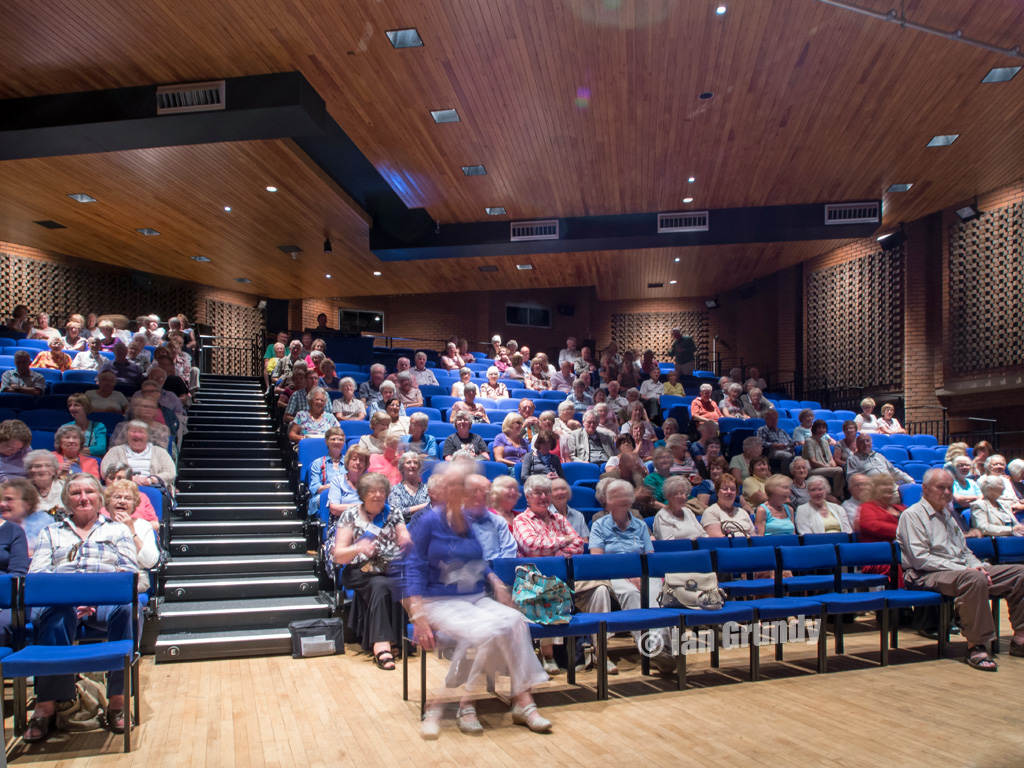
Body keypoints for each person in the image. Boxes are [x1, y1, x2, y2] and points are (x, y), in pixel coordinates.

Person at [400, 466, 552, 738]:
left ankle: (522, 701)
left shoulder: (466, 523)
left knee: (516, 621)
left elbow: (478, 561)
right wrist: (416, 615)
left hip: (473, 597)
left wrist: (495, 581)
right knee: (484, 633)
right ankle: (465, 704)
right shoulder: (429, 521)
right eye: (469, 490)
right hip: (438, 600)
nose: (478, 495)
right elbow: (411, 565)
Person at [25, 474, 138, 742]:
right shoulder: (51, 532)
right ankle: (48, 705)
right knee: (58, 611)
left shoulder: (118, 530)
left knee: (125, 608)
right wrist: (70, 596)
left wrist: (94, 596)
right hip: (60, 603)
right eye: (76, 493)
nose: (83, 497)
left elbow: (129, 572)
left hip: (104, 602)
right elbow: (39, 574)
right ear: (67, 500)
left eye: (89, 492)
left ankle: (118, 702)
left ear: (100, 498)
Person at [897, 469, 1024, 671]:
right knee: (973, 579)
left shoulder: (947, 515)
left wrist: (977, 565)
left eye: (949, 488)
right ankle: (977, 646)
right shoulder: (912, 516)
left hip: (959, 571)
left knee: (1020, 573)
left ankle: (1020, 639)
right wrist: (968, 569)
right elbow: (920, 559)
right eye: (941, 487)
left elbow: (964, 551)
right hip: (924, 575)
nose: (947, 492)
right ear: (925, 489)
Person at [587, 478, 675, 673]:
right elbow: (597, 559)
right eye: (617, 497)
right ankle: (652, 649)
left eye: (626, 496)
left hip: (643, 572)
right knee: (631, 594)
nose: (622, 500)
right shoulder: (599, 525)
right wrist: (627, 572)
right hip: (614, 573)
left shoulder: (640, 525)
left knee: (655, 593)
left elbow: (649, 555)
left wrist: (640, 573)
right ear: (608, 501)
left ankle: (661, 648)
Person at [333, 473, 410, 670]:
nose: (378, 495)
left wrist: (406, 541)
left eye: (382, 491)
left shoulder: (393, 512)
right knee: (381, 584)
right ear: (363, 494)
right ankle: (386, 644)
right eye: (372, 491)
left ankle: (382, 644)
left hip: (387, 569)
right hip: (358, 570)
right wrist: (358, 548)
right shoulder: (349, 514)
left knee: (381, 584)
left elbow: (404, 536)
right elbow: (339, 556)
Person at [103, 480, 160, 592]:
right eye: (117, 497)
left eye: (128, 498)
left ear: (134, 505)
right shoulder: (100, 524)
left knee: (118, 590)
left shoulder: (143, 526)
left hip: (135, 576)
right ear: (108, 503)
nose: (122, 502)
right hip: (104, 575)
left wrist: (131, 532)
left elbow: (150, 562)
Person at [101, 420, 176, 492]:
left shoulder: (160, 451)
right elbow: (106, 471)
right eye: (133, 431)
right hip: (121, 488)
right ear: (127, 434)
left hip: (152, 488)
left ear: (148, 435)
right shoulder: (115, 451)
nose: (137, 435)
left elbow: (170, 472)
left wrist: (151, 480)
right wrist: (128, 478)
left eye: (141, 432)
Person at [857, 475, 906, 585]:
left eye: (890, 484)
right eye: (883, 484)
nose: (888, 487)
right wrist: (903, 532)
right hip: (878, 558)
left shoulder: (901, 508)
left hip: (904, 553)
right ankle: (900, 598)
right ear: (873, 488)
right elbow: (871, 525)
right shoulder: (867, 507)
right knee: (894, 564)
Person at [1, 477, 51, 555]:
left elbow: (50, 552)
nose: (2, 504)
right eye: (1, 500)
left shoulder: (43, 521)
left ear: (28, 503)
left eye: (9, 499)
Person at [307, 427, 347, 517]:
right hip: (324, 495)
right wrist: (335, 486)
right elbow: (315, 488)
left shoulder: (350, 462)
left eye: (340, 439)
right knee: (328, 498)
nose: (337, 442)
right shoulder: (318, 463)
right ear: (326, 441)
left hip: (346, 495)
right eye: (333, 439)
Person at [802, 419, 846, 499]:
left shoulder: (825, 441)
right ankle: (837, 495)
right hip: (813, 469)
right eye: (819, 428)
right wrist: (828, 467)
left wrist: (833, 466)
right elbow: (813, 462)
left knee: (840, 469)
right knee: (838, 471)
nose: (822, 430)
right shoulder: (809, 441)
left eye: (824, 428)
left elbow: (830, 459)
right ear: (814, 429)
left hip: (825, 467)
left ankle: (839, 494)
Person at [847, 434, 914, 486]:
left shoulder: (879, 456)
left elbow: (893, 471)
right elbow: (852, 480)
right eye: (862, 442)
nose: (865, 444)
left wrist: (910, 480)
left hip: (891, 487)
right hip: (873, 490)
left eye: (868, 441)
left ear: (871, 443)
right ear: (857, 444)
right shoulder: (853, 459)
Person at [387, 452, 430, 523]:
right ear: (402, 468)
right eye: (408, 462)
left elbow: (432, 509)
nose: (412, 465)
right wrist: (424, 506)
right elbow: (396, 513)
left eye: (415, 463)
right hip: (402, 527)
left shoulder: (427, 488)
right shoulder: (395, 489)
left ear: (419, 468)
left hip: (425, 525)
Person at [64, 393, 107, 458]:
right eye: (70, 405)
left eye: (76, 405)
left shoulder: (99, 426)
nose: (72, 408)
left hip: (92, 461)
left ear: (85, 407)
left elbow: (101, 449)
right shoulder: (65, 427)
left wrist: (74, 450)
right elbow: (61, 448)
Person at [550, 478, 590, 543]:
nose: (560, 492)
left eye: (563, 489)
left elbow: (585, 542)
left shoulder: (578, 516)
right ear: (549, 495)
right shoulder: (545, 516)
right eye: (555, 490)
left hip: (577, 552)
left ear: (568, 493)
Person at [756, 409, 795, 474]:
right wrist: (774, 445)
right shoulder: (762, 430)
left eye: (775, 419)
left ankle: (796, 477)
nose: (774, 421)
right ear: (766, 420)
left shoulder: (781, 431)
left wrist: (793, 444)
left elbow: (791, 441)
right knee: (787, 456)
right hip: (771, 452)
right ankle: (784, 477)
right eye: (771, 419)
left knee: (799, 456)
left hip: (787, 449)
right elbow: (760, 443)